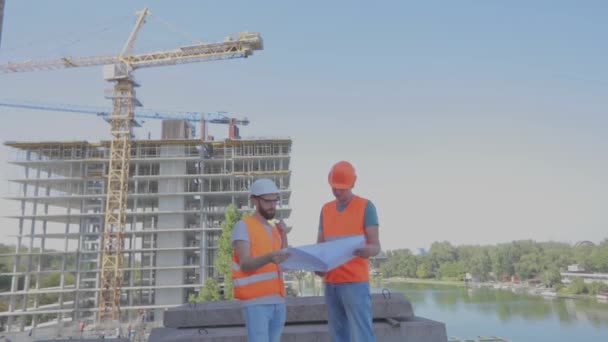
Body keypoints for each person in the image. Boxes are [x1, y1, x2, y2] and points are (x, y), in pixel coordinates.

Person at [316, 161, 381, 342]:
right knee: (338, 336)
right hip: (331, 282)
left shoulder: (366, 206)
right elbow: (320, 246)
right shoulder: (325, 209)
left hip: (355, 283)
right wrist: (316, 264)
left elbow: (376, 246)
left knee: (362, 334)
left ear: (353, 184)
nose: (337, 192)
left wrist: (367, 250)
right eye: (334, 188)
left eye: (341, 188)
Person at [232, 178, 290, 342]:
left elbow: (282, 263)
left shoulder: (274, 229)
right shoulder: (243, 226)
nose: (272, 205)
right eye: (267, 201)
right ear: (254, 201)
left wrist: (284, 235)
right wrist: (269, 257)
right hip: (256, 302)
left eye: (275, 201)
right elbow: (245, 264)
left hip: (278, 301)